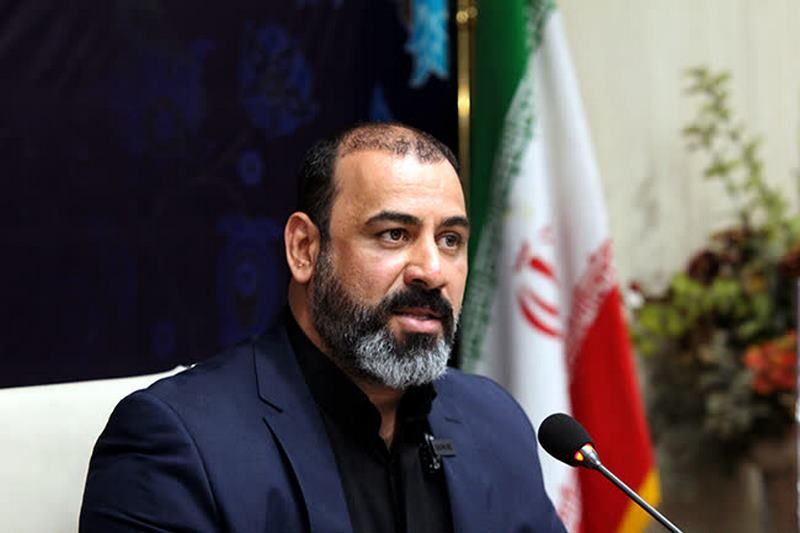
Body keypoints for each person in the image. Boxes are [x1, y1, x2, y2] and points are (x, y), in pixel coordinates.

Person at [80, 123, 566, 532]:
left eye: (450, 239)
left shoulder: (493, 422)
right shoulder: (178, 444)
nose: (432, 270)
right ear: (304, 249)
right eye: (394, 234)